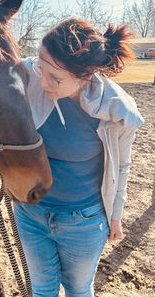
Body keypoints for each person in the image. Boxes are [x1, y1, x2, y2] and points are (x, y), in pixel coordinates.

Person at [14, 18, 144, 297]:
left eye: (55, 79)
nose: (42, 82)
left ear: (84, 77)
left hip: (83, 222)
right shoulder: (33, 76)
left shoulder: (116, 111)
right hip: (30, 213)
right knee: (42, 290)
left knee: (78, 290)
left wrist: (116, 216)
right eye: (40, 67)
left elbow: (122, 167)